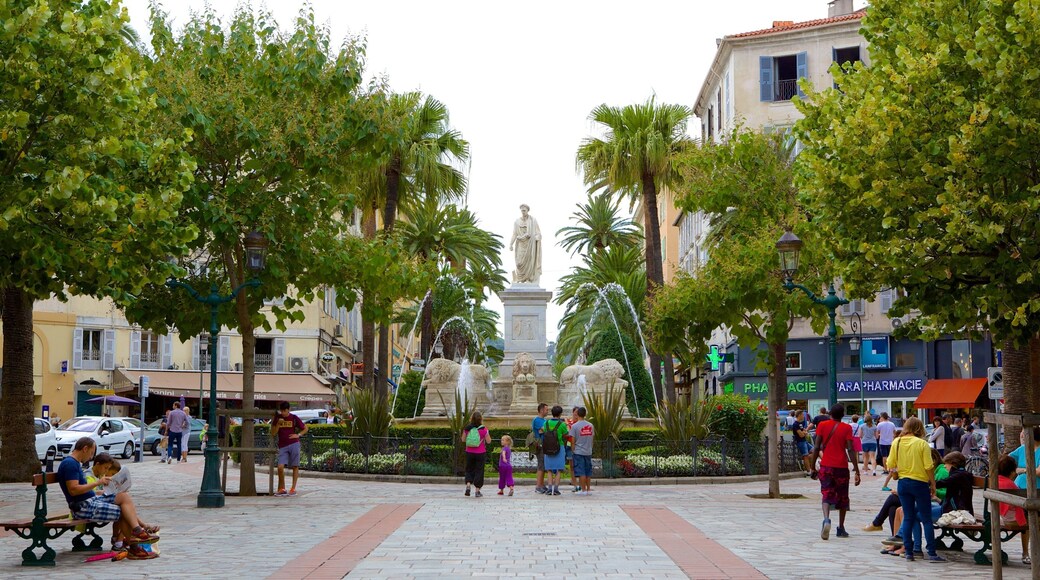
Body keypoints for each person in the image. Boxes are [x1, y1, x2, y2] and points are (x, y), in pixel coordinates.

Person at [57, 438, 157, 560]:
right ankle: (134, 548)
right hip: (82, 507)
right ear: (85, 449)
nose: (91, 457)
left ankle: (137, 530)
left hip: (90, 500)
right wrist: (97, 483)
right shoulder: (70, 464)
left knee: (123, 496)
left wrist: (99, 492)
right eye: (91, 453)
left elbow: (79, 489)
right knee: (123, 512)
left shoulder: (74, 463)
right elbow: (73, 489)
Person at [886, 416, 946, 563]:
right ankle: (931, 552)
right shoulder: (922, 444)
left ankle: (909, 552)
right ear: (920, 428)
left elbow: (890, 463)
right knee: (926, 519)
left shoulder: (897, 442)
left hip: (903, 483)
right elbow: (928, 466)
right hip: (919, 483)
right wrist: (933, 484)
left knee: (908, 517)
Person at [808, 403, 860, 540]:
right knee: (843, 497)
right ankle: (841, 527)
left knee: (826, 493)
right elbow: (850, 449)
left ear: (830, 414)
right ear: (842, 415)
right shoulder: (847, 428)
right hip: (841, 466)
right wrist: (857, 470)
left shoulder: (822, 425)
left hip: (826, 465)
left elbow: (817, 446)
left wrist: (812, 467)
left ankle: (826, 519)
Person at [997, 454, 1030, 565]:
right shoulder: (1011, 484)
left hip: (1000, 515)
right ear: (1012, 472)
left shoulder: (995, 480)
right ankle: (1026, 552)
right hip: (1010, 519)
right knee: (1033, 522)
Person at [271, 402, 308, 497]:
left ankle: (293, 488)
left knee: (295, 466)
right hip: (282, 446)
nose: (283, 413)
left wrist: (298, 435)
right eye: (282, 411)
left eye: (285, 411)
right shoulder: (278, 418)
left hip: (294, 443)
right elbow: (273, 433)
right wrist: (278, 424)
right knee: (280, 467)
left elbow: (305, 428)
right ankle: (282, 488)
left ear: (288, 409)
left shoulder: (294, 418)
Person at [508, 204, 541, 284]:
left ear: (527, 211)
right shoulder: (517, 222)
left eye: (524, 210)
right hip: (520, 244)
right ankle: (520, 279)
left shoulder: (533, 220)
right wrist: (511, 244)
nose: (523, 212)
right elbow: (514, 234)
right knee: (519, 263)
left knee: (529, 262)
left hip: (530, 245)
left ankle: (528, 279)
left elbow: (538, 233)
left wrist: (536, 237)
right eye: (522, 210)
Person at [462, 411, 491, 497]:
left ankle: (468, 485)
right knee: (479, 471)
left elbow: (463, 439)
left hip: (469, 452)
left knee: (469, 469)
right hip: (480, 452)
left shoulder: (467, 428)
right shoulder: (483, 429)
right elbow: (489, 441)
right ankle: (477, 491)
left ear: (471, 419)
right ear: (481, 419)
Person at [542, 405, 568, 496]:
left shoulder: (546, 423)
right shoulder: (562, 424)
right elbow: (566, 434)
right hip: (559, 448)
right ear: (560, 414)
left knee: (549, 470)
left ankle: (549, 489)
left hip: (547, 447)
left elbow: (544, 432)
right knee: (558, 470)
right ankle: (556, 489)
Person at [569, 406, 594, 496]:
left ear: (578, 414)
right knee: (588, 471)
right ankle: (588, 489)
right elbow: (592, 438)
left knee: (581, 471)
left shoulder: (574, 426)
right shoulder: (590, 425)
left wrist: (573, 450)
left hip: (578, 451)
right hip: (588, 451)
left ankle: (583, 490)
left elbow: (572, 441)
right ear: (585, 414)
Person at [531, 403, 549, 494]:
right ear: (541, 410)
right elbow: (543, 430)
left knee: (543, 465)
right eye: (546, 410)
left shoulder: (544, 420)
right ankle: (538, 486)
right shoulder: (537, 420)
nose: (548, 411)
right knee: (541, 465)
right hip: (540, 445)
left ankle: (542, 484)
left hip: (544, 445)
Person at [791, 410, 813, 474]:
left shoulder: (801, 423)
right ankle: (809, 471)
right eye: (802, 415)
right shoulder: (795, 424)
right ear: (799, 415)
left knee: (814, 451)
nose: (803, 416)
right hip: (800, 442)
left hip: (805, 441)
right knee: (805, 455)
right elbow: (801, 435)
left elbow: (804, 431)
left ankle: (808, 464)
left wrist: (804, 432)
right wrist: (804, 433)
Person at [565, 406, 579, 492]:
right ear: (573, 412)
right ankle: (575, 484)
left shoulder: (580, 423)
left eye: (578, 412)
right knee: (572, 466)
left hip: (579, 446)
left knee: (579, 465)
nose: (576, 414)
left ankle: (580, 484)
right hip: (570, 446)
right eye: (575, 412)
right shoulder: (568, 422)